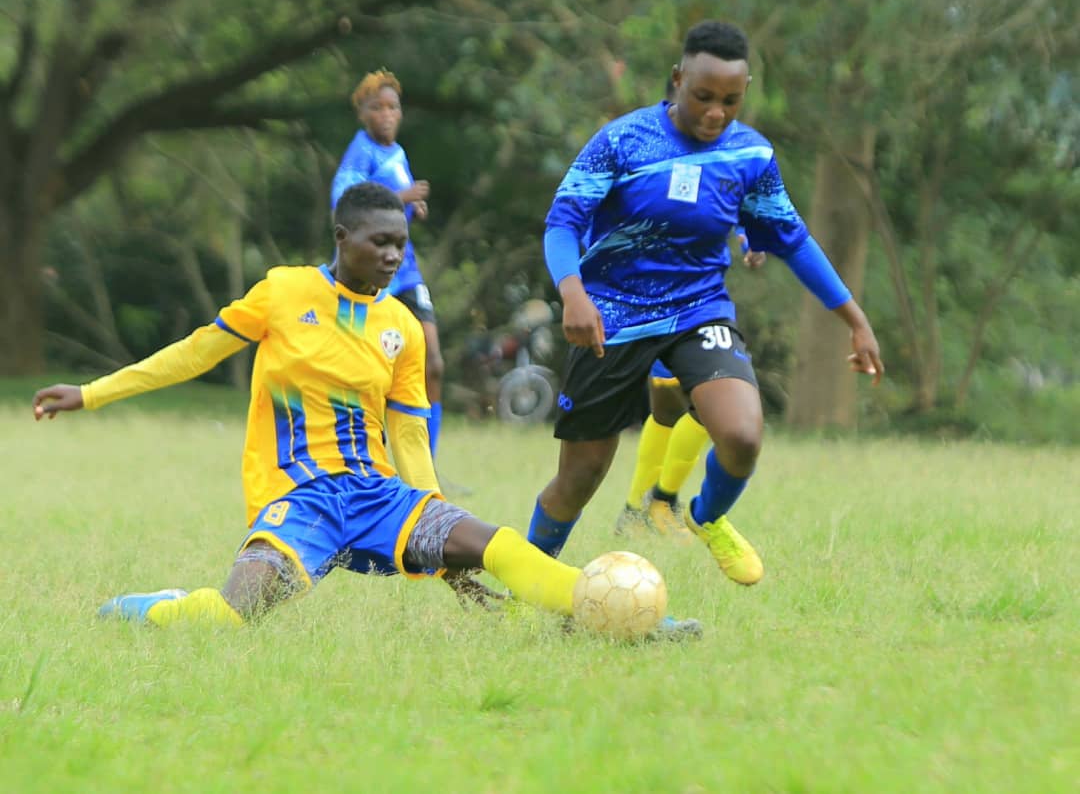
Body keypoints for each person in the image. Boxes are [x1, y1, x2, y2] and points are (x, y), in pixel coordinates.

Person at [33, 183, 699, 637]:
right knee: (234, 618)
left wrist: (442, 542)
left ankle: (630, 616)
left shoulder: (402, 327)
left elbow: (410, 435)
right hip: (300, 497)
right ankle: (142, 609)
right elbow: (193, 353)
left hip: (378, 495)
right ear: (341, 235)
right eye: (377, 241)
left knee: (491, 543)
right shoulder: (283, 292)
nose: (390, 254)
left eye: (399, 245)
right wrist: (91, 393)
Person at [527, 20, 884, 586]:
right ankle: (530, 580)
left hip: (698, 311)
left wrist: (855, 320)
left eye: (731, 101)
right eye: (703, 97)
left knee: (743, 435)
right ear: (676, 80)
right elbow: (563, 222)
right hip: (610, 318)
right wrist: (572, 292)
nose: (716, 113)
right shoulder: (623, 141)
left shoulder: (750, 155)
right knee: (580, 477)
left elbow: (791, 238)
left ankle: (705, 516)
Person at [616, 228, 766, 542]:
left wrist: (747, 232)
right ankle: (643, 507)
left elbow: (732, 188)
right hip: (658, 305)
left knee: (699, 407)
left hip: (702, 308)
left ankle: (657, 501)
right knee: (670, 406)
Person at [331, 70, 445, 459]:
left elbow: (396, 209)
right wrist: (402, 196)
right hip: (373, 271)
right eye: (376, 107)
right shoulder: (360, 151)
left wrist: (414, 207)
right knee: (364, 366)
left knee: (433, 362)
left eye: (392, 106)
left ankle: (425, 461)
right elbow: (344, 203)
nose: (386, 114)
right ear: (362, 113)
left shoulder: (397, 153)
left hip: (407, 267)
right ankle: (361, 453)